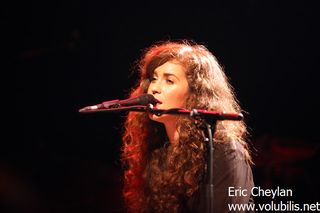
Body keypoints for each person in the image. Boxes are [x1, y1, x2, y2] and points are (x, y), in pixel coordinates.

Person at [121, 40, 254, 213]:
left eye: (169, 81)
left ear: (195, 94)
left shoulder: (224, 152)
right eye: (154, 79)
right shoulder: (157, 151)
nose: (154, 88)